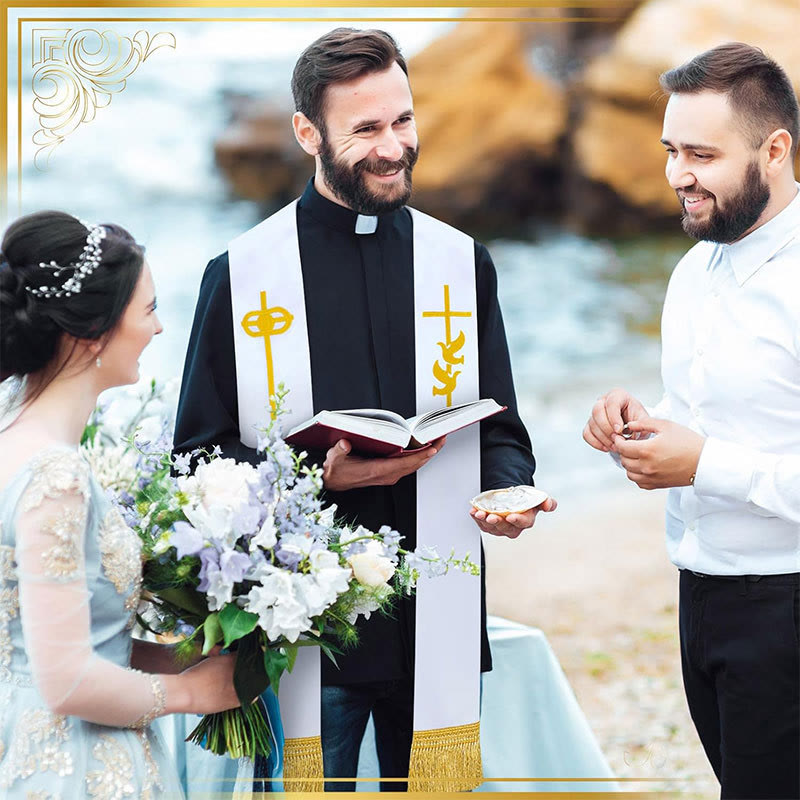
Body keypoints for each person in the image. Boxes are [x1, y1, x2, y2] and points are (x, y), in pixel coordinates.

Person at [174, 28, 555, 792]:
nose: (394, 148)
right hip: (314, 635)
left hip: (435, 621)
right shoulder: (242, 276)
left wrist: (508, 492)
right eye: (368, 130)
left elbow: (502, 430)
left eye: (404, 121)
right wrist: (319, 474)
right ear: (307, 133)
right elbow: (199, 457)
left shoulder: (459, 262)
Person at [583, 43, 800, 800]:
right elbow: (723, 412)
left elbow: (717, 451)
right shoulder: (691, 271)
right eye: (672, 149)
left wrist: (703, 463)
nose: (679, 174)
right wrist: (641, 425)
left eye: (702, 154)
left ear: (775, 151)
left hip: (787, 605)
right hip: (700, 594)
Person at [0, 211, 240, 798]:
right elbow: (65, 680)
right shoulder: (56, 474)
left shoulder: (12, 439)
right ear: (94, 332)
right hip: (76, 760)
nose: (158, 329)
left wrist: (181, 657)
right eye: (149, 309)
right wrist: (193, 694)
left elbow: (45, 633)